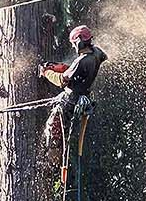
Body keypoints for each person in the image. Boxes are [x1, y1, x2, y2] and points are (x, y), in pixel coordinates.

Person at [42, 24, 106, 155]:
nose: (73, 46)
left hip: (70, 101)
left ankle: (53, 156)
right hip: (82, 98)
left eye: (73, 43)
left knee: (52, 129)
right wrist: (66, 68)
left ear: (79, 42)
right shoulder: (97, 53)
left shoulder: (81, 61)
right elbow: (79, 70)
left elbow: (61, 81)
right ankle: (57, 152)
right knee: (62, 130)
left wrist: (46, 72)